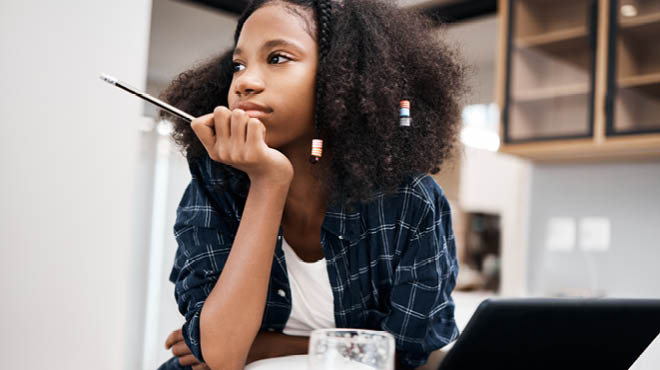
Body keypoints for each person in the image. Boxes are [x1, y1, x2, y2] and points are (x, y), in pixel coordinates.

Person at [156, 0, 467, 369]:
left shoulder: (409, 202)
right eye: (238, 65)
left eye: (277, 58)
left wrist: (259, 346)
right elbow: (222, 354)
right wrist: (268, 182)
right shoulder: (216, 183)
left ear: (344, 75)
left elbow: (406, 357)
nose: (244, 82)